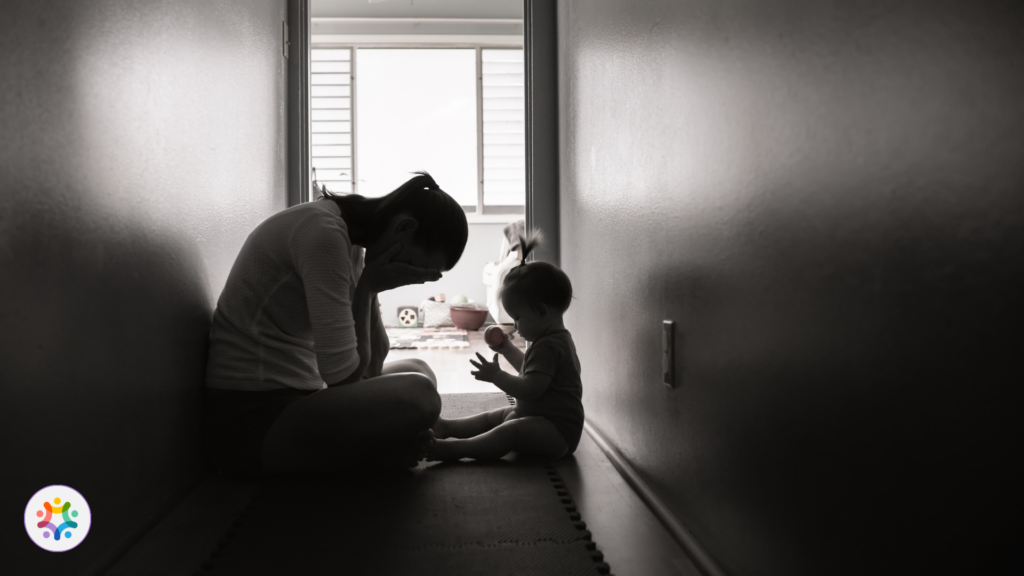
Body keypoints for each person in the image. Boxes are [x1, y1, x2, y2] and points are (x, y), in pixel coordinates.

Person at [204, 172, 468, 479]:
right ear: (404, 228)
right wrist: (367, 288)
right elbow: (345, 380)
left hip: (303, 393)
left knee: (419, 369)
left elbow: (371, 367)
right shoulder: (323, 234)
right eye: (414, 266)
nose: (409, 274)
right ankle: (380, 452)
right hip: (251, 422)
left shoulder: (354, 245)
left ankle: (383, 449)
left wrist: (373, 288)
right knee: (419, 394)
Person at [425, 229, 583, 462]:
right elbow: (530, 371)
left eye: (517, 317)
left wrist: (497, 376)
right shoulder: (552, 339)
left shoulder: (549, 346)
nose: (515, 325)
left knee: (509, 431)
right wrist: (507, 348)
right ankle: (447, 428)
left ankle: (456, 450)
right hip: (540, 420)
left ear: (541, 311)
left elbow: (530, 389)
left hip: (557, 433)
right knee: (497, 416)